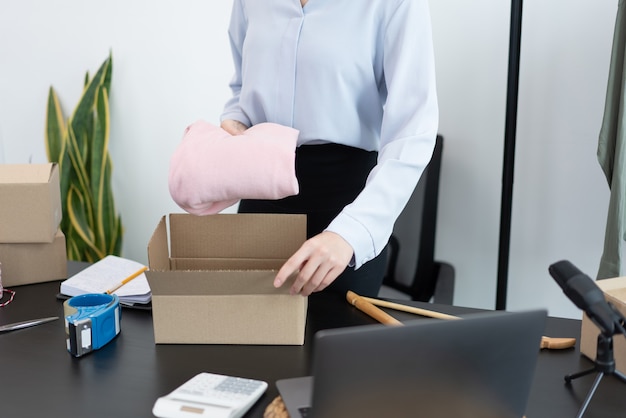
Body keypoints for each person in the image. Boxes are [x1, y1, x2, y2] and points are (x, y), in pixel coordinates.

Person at [220, 0, 439, 298]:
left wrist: (351, 232)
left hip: (345, 206)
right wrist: (235, 119)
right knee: (241, 336)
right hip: (259, 198)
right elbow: (241, 85)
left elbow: (412, 130)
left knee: (332, 340)